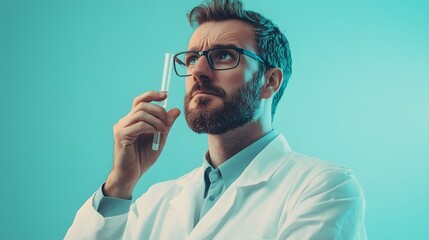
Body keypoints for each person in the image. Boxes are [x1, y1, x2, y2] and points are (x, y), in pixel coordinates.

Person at [65, 0, 366, 239]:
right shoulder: (156, 202)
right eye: (192, 58)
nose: (198, 71)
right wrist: (120, 182)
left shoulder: (324, 188)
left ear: (270, 81)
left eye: (223, 55)